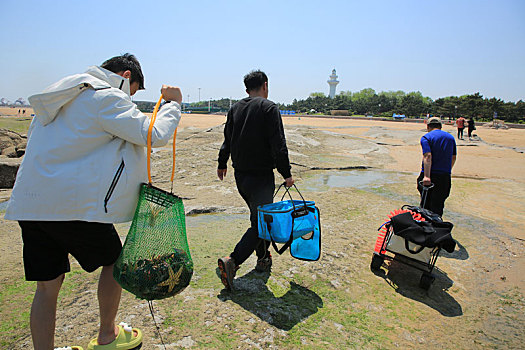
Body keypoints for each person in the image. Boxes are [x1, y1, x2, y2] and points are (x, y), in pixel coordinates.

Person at [4, 53, 183, 350]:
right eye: (134, 91)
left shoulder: (59, 96)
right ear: (126, 76)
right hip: (70, 206)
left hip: (31, 204)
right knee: (115, 262)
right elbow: (153, 134)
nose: (130, 98)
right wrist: (173, 104)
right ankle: (107, 335)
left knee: (47, 286)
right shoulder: (105, 96)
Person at [217, 70, 294, 290]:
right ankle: (233, 261)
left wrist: (222, 163)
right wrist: (286, 173)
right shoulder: (269, 108)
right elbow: (278, 144)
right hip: (261, 177)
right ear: (265, 85)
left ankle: (263, 258)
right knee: (260, 223)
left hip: (240, 177)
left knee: (259, 217)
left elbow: (227, 140)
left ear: (246, 89)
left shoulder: (235, 109)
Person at [417, 116, 457, 217]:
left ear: (428, 126)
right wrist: (447, 171)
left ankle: (426, 228)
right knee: (438, 205)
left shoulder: (426, 137)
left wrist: (426, 176)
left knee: (425, 206)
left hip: (430, 175)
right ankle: (437, 227)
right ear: (440, 126)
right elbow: (453, 157)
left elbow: (427, 156)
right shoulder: (450, 138)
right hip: (444, 176)